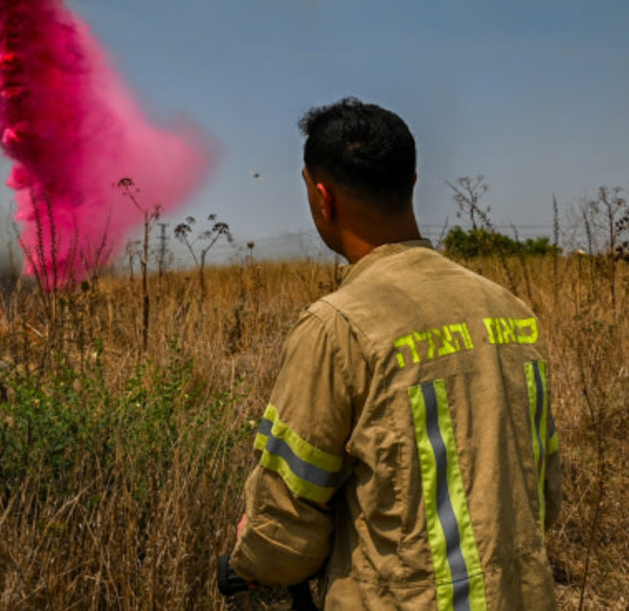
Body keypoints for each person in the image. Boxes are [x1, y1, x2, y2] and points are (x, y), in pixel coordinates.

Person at [228, 97, 562, 610]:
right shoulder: (510, 311)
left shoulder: (339, 327)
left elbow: (283, 535)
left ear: (323, 197)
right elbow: (545, 496)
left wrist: (247, 557)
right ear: (411, 183)